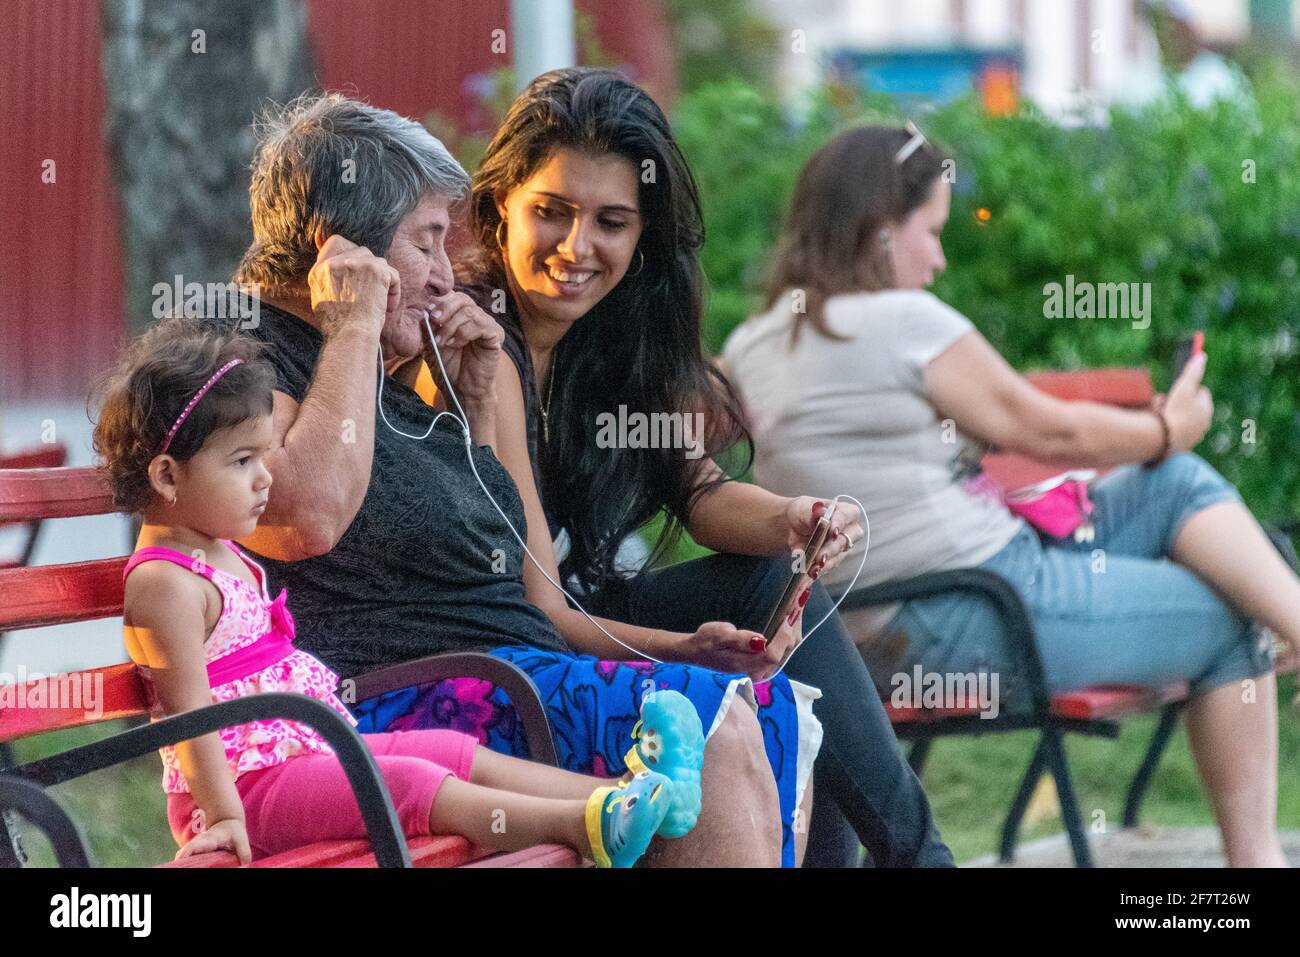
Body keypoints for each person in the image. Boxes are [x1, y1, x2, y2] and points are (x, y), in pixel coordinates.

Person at [214, 92, 806, 867]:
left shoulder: (383, 370)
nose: (442, 278)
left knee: (755, 703)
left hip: (494, 676)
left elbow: (514, 572)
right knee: (710, 719)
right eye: (424, 245)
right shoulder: (244, 359)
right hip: (385, 705)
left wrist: (478, 403)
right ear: (343, 253)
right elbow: (304, 519)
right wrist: (356, 325)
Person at [724, 124, 1294, 867]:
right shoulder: (902, 323)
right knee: (1232, 613)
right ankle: (1257, 867)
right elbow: (1046, 431)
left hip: (869, 626)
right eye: (931, 231)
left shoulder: (752, 342)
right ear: (881, 228)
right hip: (971, 609)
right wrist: (1167, 425)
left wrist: (1163, 449)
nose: (940, 257)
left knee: (1175, 488)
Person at [459, 67, 954, 867]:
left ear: (643, 235)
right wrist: (685, 646)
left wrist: (795, 518)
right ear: (502, 207)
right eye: (551, 212)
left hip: (579, 616)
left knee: (774, 598)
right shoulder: (481, 350)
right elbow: (538, 604)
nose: (578, 248)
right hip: (511, 649)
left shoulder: (619, 334)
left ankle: (916, 858)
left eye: (612, 222)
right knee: (762, 646)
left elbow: (698, 489)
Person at [92, 317, 699, 867]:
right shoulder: (163, 584)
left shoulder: (219, 548)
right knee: (406, 780)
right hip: (251, 791)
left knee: (446, 749)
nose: (265, 477)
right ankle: (584, 825)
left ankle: (631, 795)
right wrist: (223, 817)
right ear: (168, 476)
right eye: (243, 460)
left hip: (302, 754)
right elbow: (192, 718)